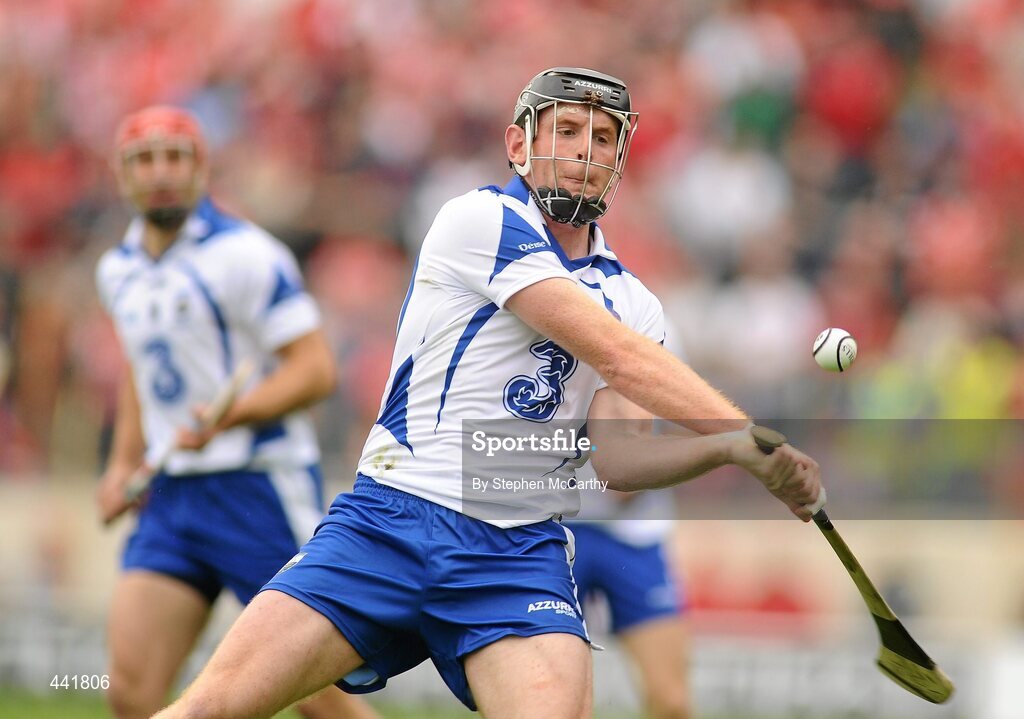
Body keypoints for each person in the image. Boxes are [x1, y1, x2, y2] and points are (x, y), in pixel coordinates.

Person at [153, 67, 822, 719]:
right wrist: (739, 425)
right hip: (391, 520)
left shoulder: (635, 301)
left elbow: (618, 461)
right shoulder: (479, 220)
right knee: (212, 707)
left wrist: (732, 448)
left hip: (518, 554)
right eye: (565, 130)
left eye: (601, 137)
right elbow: (615, 355)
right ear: (518, 145)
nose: (584, 151)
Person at [94, 106, 379, 719]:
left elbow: (316, 370)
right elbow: (139, 375)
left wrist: (232, 414)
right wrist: (121, 465)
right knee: (131, 691)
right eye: (145, 160)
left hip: (257, 489)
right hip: (172, 496)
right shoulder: (116, 270)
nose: (161, 173)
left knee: (318, 697)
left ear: (201, 168)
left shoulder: (248, 254)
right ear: (122, 175)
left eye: (176, 157)